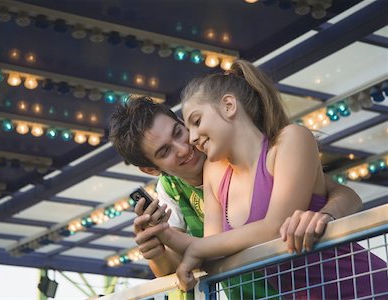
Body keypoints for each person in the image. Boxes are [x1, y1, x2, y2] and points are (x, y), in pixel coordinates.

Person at [154, 59, 387, 298]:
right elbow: (213, 251)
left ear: (228, 105)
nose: (192, 138)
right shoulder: (214, 171)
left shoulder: (291, 140)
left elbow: (275, 227)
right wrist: (163, 235)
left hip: (365, 289)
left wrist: (193, 247)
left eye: (196, 121)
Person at [109, 97, 361, 277]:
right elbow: (179, 264)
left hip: (326, 277)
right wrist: (156, 253)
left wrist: (324, 217)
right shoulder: (169, 189)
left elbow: (345, 194)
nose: (184, 148)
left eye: (178, 132)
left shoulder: (236, 150)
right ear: (150, 169)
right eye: (165, 151)